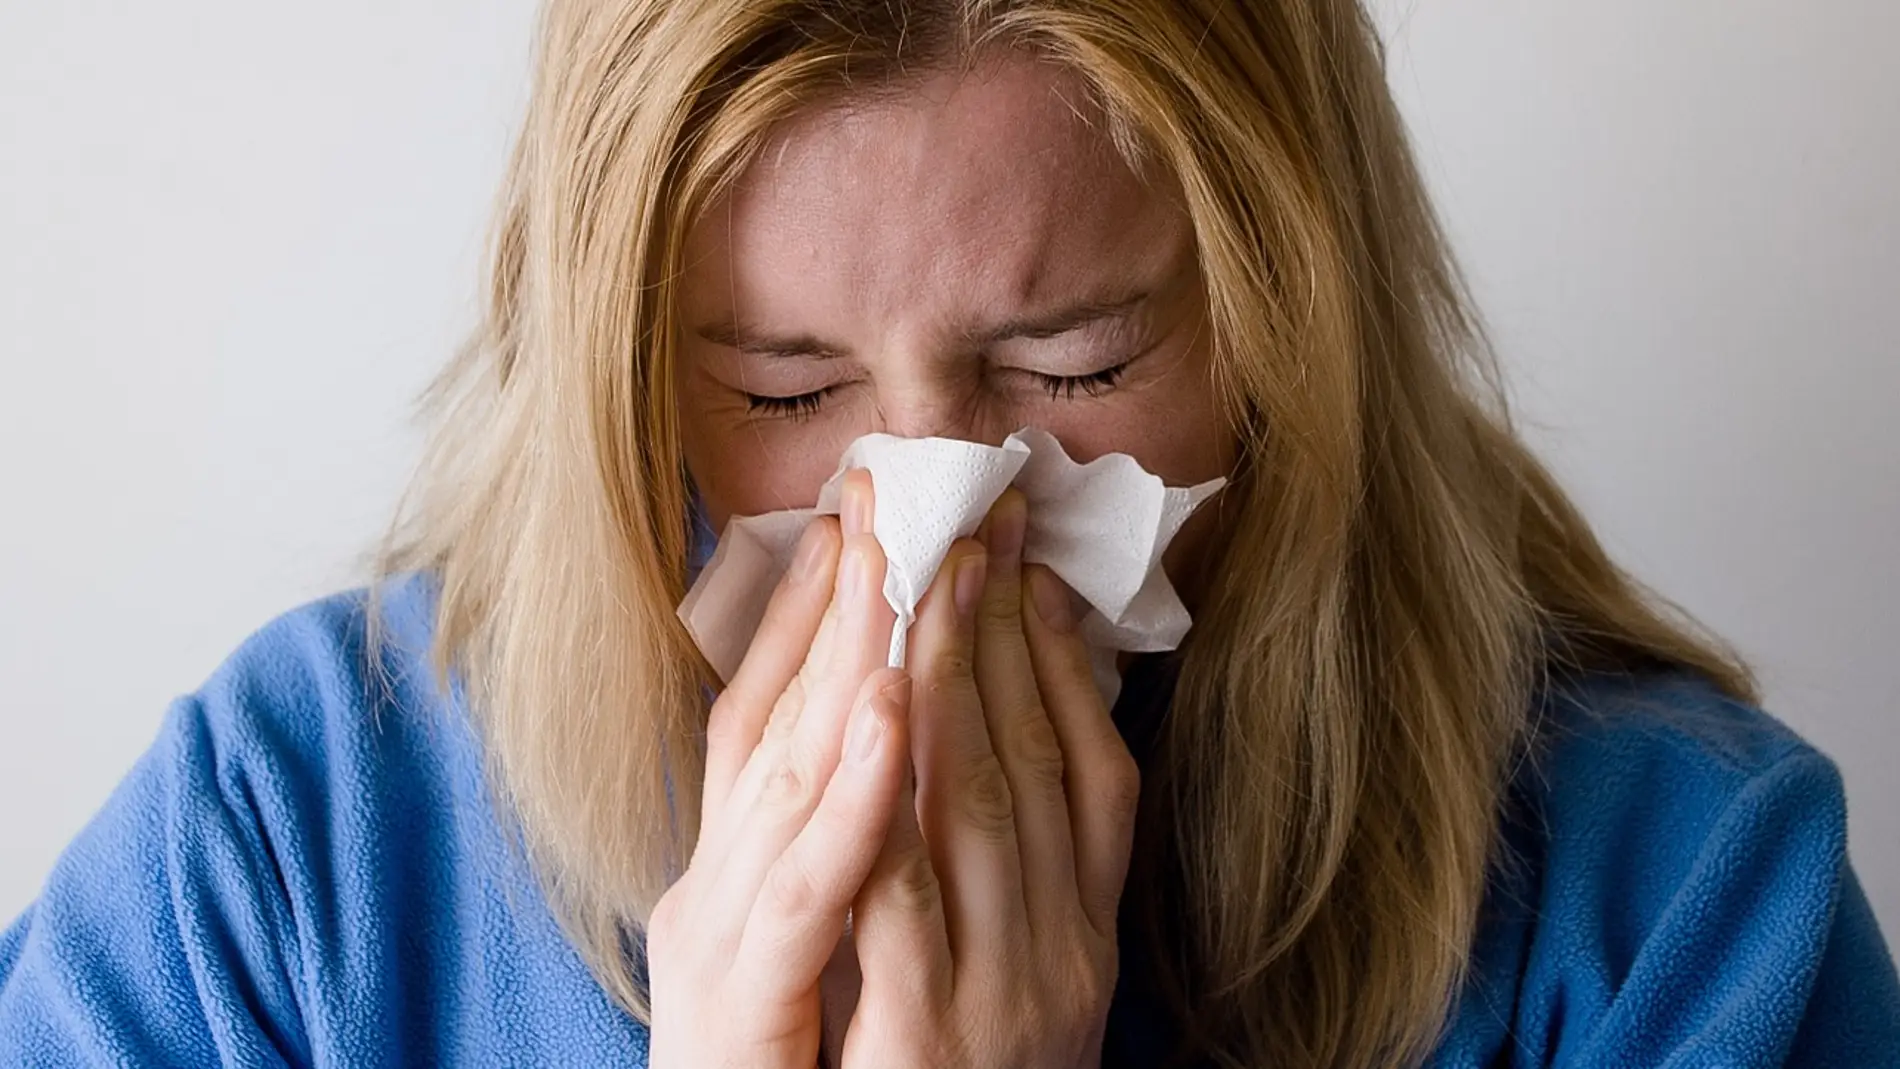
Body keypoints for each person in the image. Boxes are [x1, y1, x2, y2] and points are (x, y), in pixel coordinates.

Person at [4, 0, 1897, 1065]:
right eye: (773, 388)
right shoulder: (285, 855)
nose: (925, 530)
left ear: (1283, 323)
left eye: (1072, 362)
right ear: (616, 372)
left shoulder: (1675, 911)